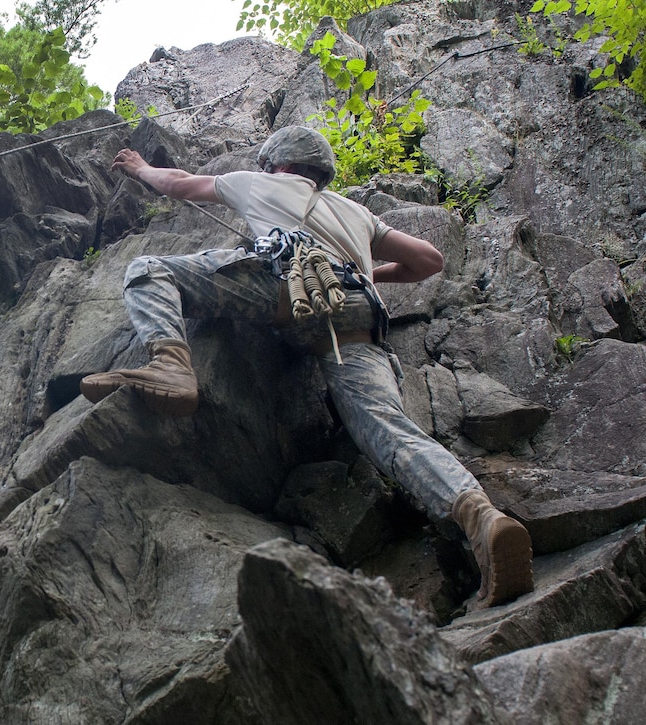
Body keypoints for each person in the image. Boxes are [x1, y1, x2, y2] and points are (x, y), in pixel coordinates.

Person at [80, 125, 533, 609]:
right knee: (388, 430)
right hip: (360, 315)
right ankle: (480, 516)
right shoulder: (356, 213)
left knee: (149, 270)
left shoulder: (258, 183)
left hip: (287, 287)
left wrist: (141, 168)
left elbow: (180, 183)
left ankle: (170, 364)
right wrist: (363, 273)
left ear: (280, 164)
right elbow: (429, 259)